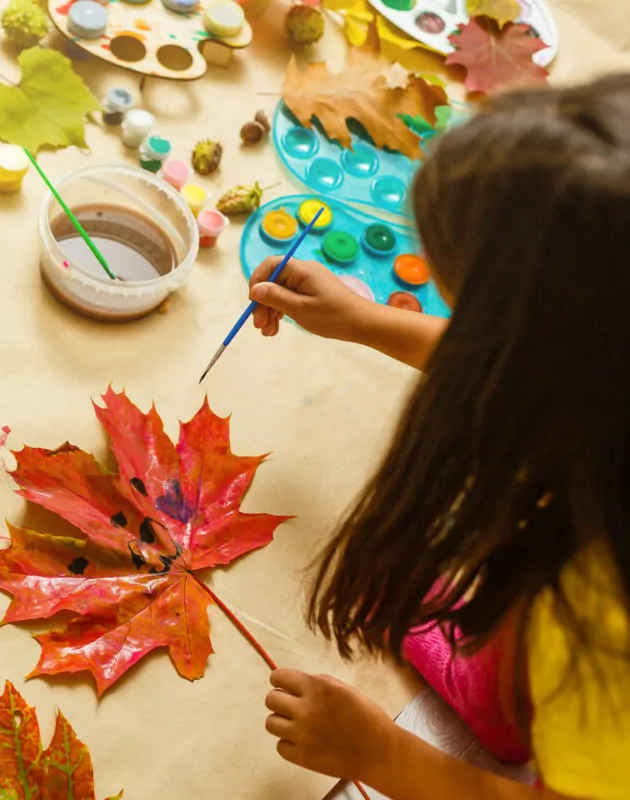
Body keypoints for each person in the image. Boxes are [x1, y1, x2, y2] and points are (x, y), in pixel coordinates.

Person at [250, 75, 630, 799]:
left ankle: (522, 711)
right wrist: (367, 319)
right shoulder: (598, 379)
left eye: (468, 310)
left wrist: (383, 753)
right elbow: (532, 363)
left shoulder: (597, 623)